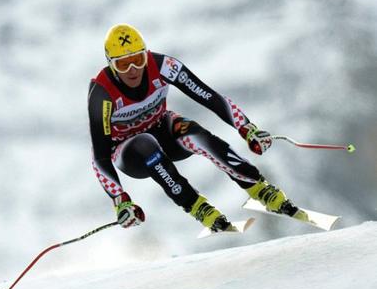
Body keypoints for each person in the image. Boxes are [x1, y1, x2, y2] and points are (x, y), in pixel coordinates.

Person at [88, 23, 300, 232]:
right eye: (123, 65)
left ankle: (259, 188)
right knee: (146, 144)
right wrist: (121, 200)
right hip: (129, 153)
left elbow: (209, 96)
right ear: (111, 66)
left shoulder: (162, 66)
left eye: (137, 60)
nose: (133, 70)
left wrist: (246, 128)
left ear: (146, 55)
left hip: (161, 128)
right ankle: (198, 207)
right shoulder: (101, 94)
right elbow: (100, 156)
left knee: (195, 134)